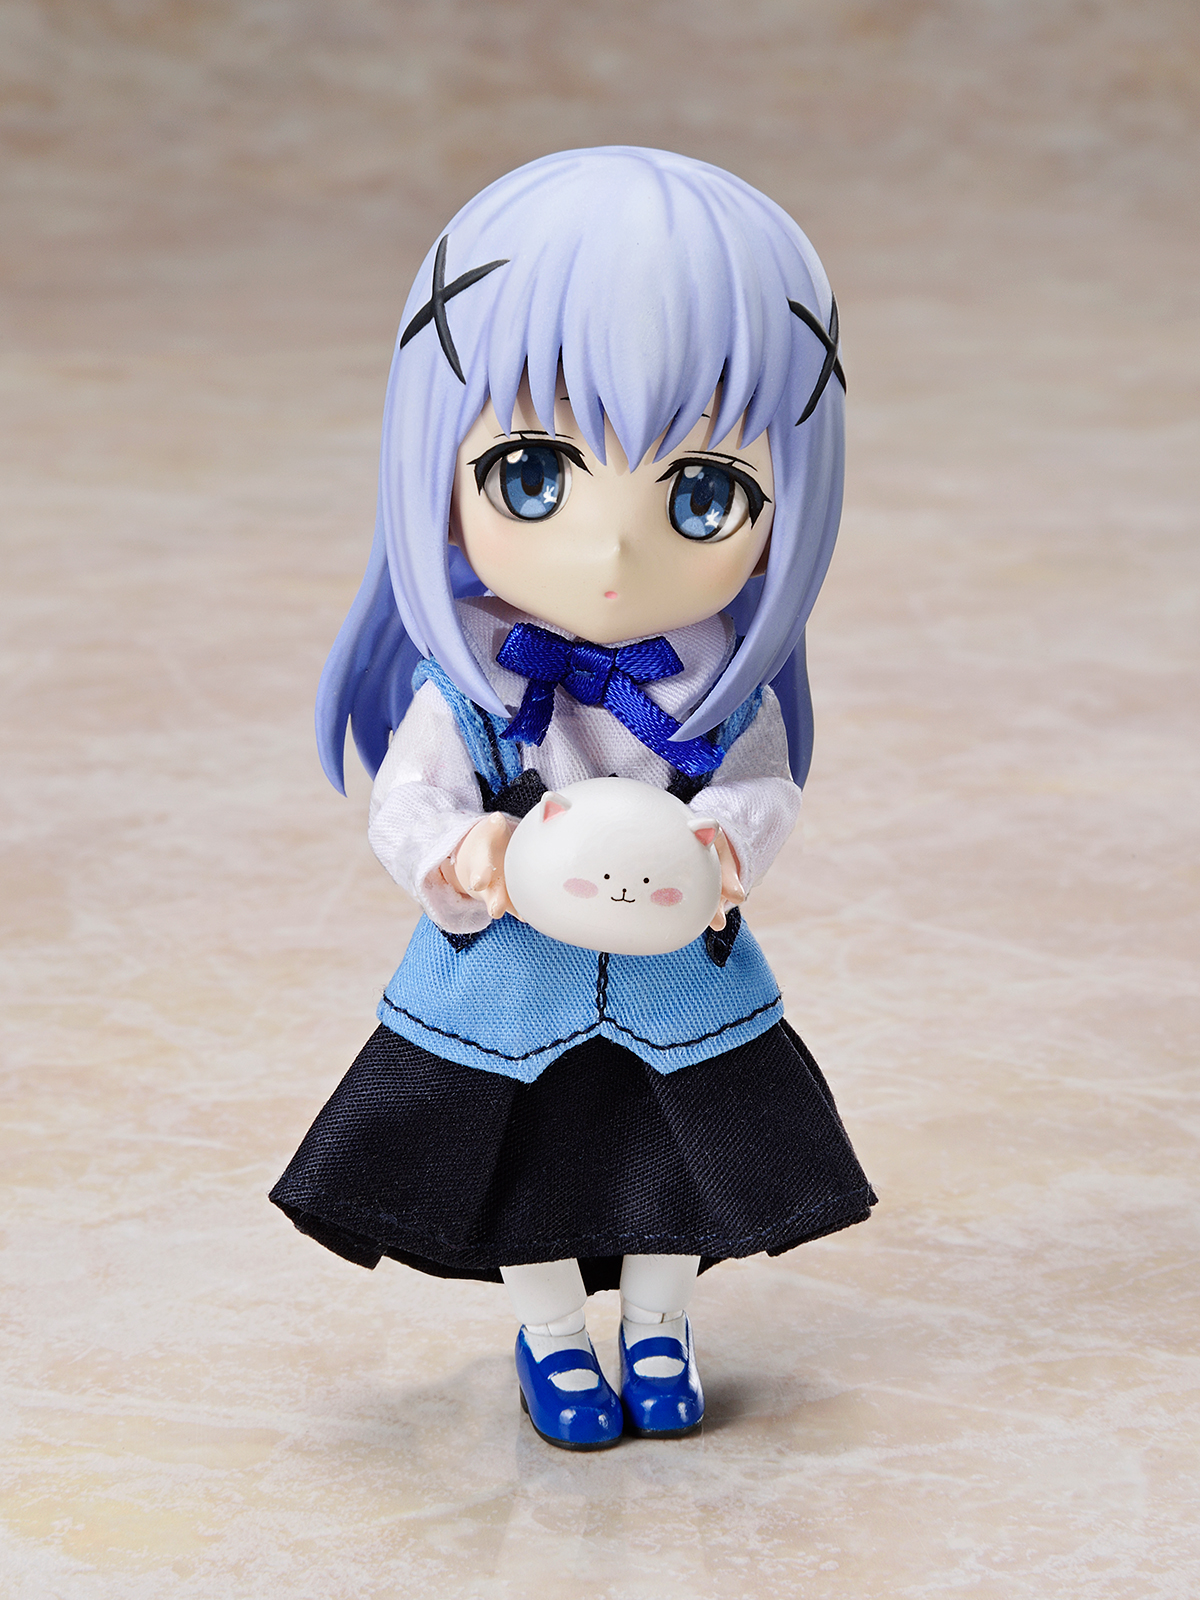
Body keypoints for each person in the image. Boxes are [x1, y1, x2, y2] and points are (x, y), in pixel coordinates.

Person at [270, 146, 876, 1450]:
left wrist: (723, 841)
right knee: (521, 1168)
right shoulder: (472, 681)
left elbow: (764, 788)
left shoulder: (720, 685)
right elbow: (407, 802)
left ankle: (660, 1324)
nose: (610, 551)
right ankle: (551, 1335)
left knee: (680, 1155)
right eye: (534, 478)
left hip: (678, 979)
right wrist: (465, 854)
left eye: (703, 494)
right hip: (506, 984)